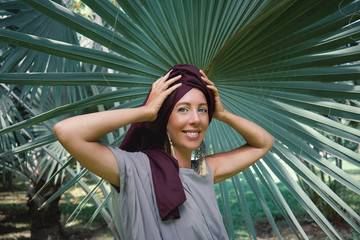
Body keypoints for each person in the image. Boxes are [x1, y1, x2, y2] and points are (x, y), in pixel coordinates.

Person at [54, 64, 274, 240]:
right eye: (183, 109)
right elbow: (66, 131)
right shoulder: (134, 169)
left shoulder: (203, 170)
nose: (195, 119)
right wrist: (146, 111)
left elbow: (263, 143)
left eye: (203, 110)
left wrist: (224, 114)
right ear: (165, 118)